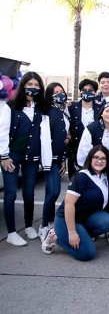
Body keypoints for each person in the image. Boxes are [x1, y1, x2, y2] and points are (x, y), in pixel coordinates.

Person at [0, 72, 52, 246]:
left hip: (32, 156)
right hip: (12, 155)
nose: (33, 87)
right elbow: (3, 131)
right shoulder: (11, 105)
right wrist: (4, 156)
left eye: (37, 85)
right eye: (30, 84)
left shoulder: (41, 107)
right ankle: (12, 233)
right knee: (10, 194)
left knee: (29, 193)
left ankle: (29, 226)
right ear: (23, 85)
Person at [41, 146, 109, 261]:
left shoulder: (104, 177)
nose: (99, 161)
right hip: (66, 219)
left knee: (108, 222)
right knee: (87, 254)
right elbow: (69, 204)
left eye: (103, 158)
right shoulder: (82, 176)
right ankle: (55, 237)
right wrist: (72, 232)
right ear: (90, 158)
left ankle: (82, 236)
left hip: (84, 218)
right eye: (96, 157)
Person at [39, 82, 71, 242]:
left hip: (59, 158)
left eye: (61, 91)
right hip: (48, 157)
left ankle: (49, 221)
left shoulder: (64, 111)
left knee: (50, 192)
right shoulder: (47, 112)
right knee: (54, 191)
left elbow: (63, 136)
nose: (59, 94)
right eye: (55, 92)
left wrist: (63, 159)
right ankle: (44, 225)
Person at [68, 79, 101, 177]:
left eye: (90, 90)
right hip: (75, 150)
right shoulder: (72, 107)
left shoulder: (101, 109)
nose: (87, 92)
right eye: (84, 90)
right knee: (75, 183)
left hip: (94, 150)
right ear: (80, 92)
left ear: (95, 92)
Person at [77, 101, 109, 166]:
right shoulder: (91, 128)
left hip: (108, 167)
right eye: (107, 111)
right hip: (89, 166)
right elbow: (83, 152)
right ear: (102, 113)